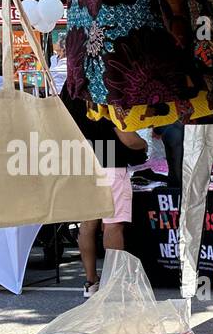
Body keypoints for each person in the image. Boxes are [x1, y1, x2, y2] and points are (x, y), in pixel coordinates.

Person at [60, 83, 148, 295]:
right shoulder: (105, 89)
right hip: (110, 161)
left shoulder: (70, 89)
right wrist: (143, 144)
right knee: (113, 225)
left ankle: (91, 282)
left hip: (82, 162)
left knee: (88, 225)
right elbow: (128, 138)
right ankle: (114, 283)